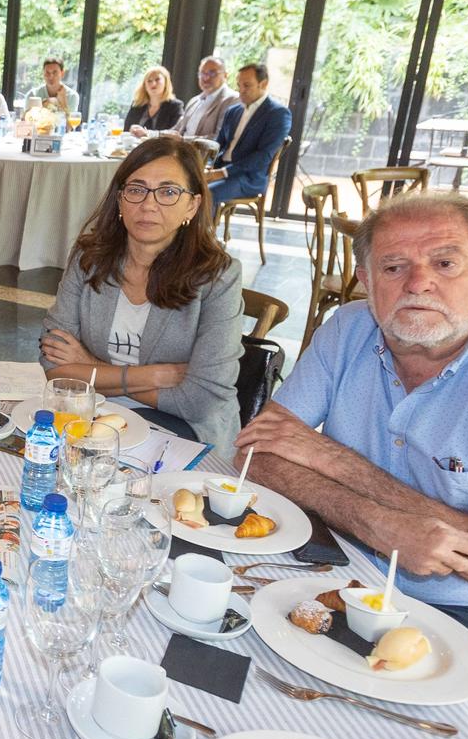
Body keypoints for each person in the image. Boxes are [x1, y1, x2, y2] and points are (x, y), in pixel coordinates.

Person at [235, 192, 468, 709]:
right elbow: (257, 455)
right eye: (394, 266)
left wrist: (326, 456)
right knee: (222, 644)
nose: (418, 283)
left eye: (444, 263)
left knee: (357, 729)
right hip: (344, 554)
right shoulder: (349, 328)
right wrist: (378, 525)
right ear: (367, 283)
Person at [40, 140, 243, 452]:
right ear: (120, 200)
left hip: (183, 433)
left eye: (168, 191)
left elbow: (201, 400)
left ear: (193, 204)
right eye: (136, 189)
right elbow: (53, 366)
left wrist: (91, 367)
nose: (149, 205)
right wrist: (155, 375)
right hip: (91, 418)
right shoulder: (89, 257)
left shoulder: (217, 276)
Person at [208, 63, 293, 207]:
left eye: (246, 85)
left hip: (249, 178)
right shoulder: (232, 111)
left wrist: (223, 172)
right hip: (220, 169)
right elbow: (218, 144)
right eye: (238, 85)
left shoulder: (278, 114)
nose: (241, 91)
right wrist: (209, 166)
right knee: (186, 188)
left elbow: (263, 156)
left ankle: (205, 230)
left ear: (263, 84)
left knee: (207, 194)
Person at [177, 56, 238, 141]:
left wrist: (183, 140)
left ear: (225, 75)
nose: (206, 78)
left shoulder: (233, 100)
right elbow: (177, 129)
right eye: (202, 73)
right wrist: (156, 134)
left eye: (212, 73)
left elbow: (220, 137)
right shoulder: (194, 101)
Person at [124, 65, 184, 135]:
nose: (153, 84)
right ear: (145, 85)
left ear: (166, 83)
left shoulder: (175, 106)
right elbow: (126, 130)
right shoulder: (137, 104)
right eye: (149, 81)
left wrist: (147, 133)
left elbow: (175, 133)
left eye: (157, 80)